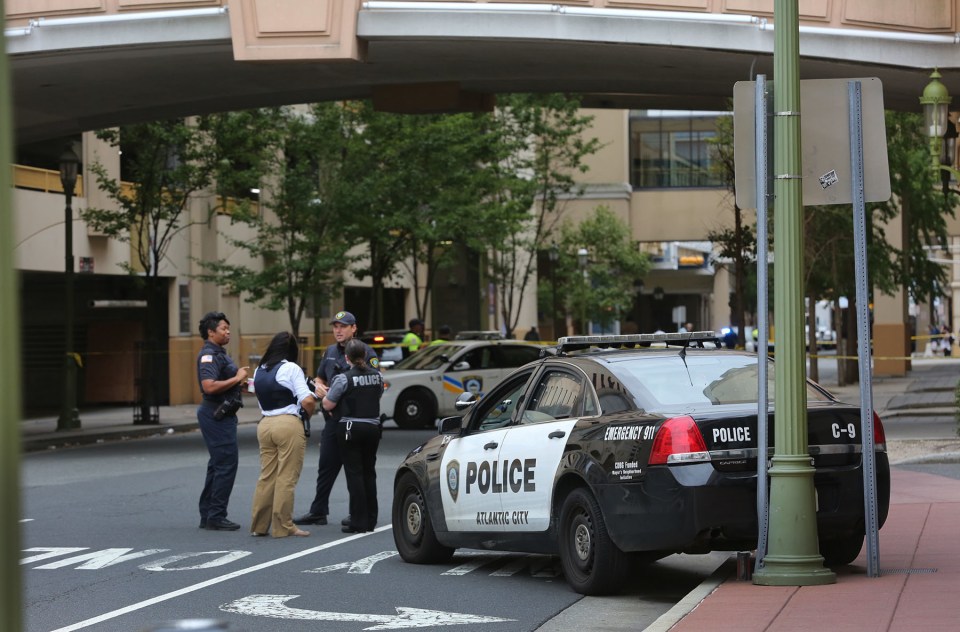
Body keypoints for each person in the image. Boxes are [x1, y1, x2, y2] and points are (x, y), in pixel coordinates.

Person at [294, 310, 379, 527]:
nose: (338, 330)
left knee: (356, 470)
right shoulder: (330, 351)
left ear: (354, 328)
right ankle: (318, 511)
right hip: (333, 419)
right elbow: (320, 375)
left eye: (343, 326)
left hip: (353, 418)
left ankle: (357, 513)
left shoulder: (366, 352)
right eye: (335, 326)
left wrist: (338, 395)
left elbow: (373, 385)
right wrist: (320, 385)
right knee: (326, 465)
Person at [250, 332, 320, 538]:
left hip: (265, 424)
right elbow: (307, 400)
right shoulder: (291, 368)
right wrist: (305, 413)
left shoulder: (259, 370)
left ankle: (258, 526)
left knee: (267, 476)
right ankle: (283, 526)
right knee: (286, 477)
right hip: (287, 423)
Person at [321, 338, 385, 533]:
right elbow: (377, 395)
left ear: (347, 358)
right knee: (369, 472)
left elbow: (328, 404)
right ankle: (371, 519)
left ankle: (358, 521)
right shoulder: (377, 377)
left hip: (350, 427)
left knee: (354, 474)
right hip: (373, 427)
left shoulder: (343, 378)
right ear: (365, 355)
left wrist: (325, 394)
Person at [196, 311, 248, 531]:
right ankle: (216, 515)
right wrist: (236, 378)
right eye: (223, 329)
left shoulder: (220, 353)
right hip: (215, 413)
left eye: (228, 328)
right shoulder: (209, 355)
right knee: (226, 464)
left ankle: (208, 514)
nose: (228, 332)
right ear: (211, 332)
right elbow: (208, 385)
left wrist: (241, 383)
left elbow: (226, 381)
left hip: (223, 412)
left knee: (217, 465)